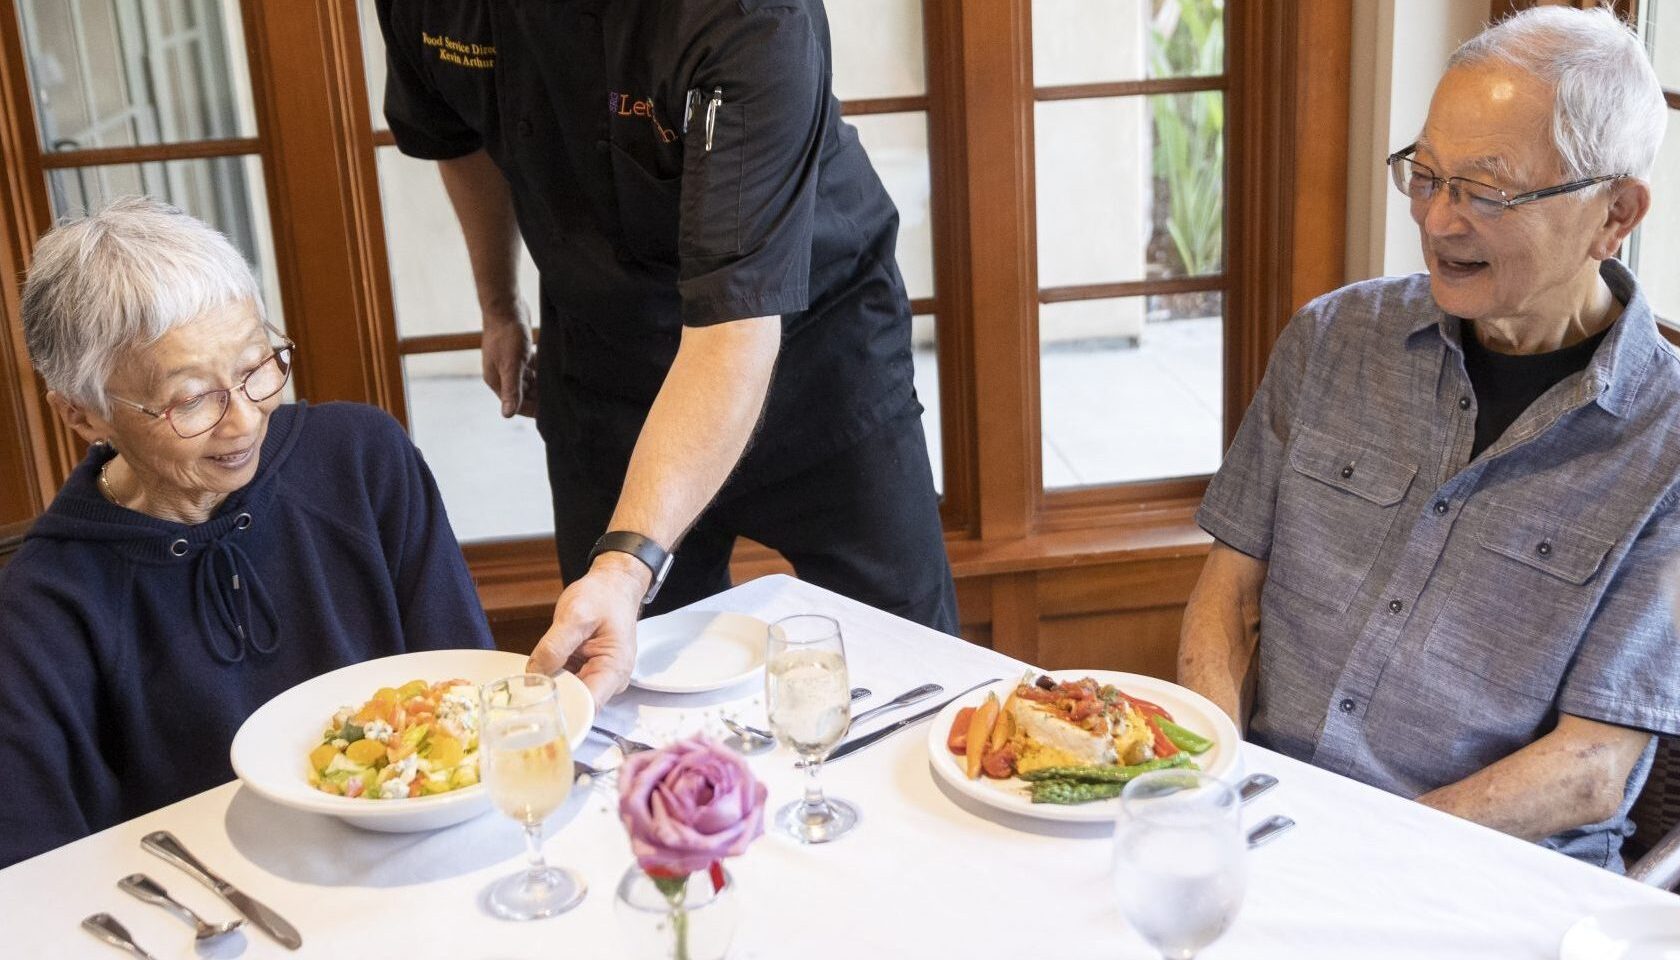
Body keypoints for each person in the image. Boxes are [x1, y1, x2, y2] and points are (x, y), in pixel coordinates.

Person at [1179, 6, 1679, 870]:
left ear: (1615, 213)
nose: (1440, 221)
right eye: (1427, 175)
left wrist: (1361, 851)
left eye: (1487, 192)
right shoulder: (1333, 340)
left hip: (1493, 877)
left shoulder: (1666, 445)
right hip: (1269, 830)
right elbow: (1226, 602)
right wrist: (1217, 787)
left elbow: (1594, 767)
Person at [373, 0, 958, 704]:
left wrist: (627, 565)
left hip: (814, 354)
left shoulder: (748, 15)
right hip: (606, 355)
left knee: (911, 670)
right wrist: (499, 303)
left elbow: (732, 333)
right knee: (631, 675)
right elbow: (455, 132)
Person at [0, 198, 493, 868]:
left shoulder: (360, 460)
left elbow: (472, 696)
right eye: (190, 398)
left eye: (256, 366)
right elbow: (35, 874)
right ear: (83, 415)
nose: (244, 423)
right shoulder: (43, 610)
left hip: (432, 854)